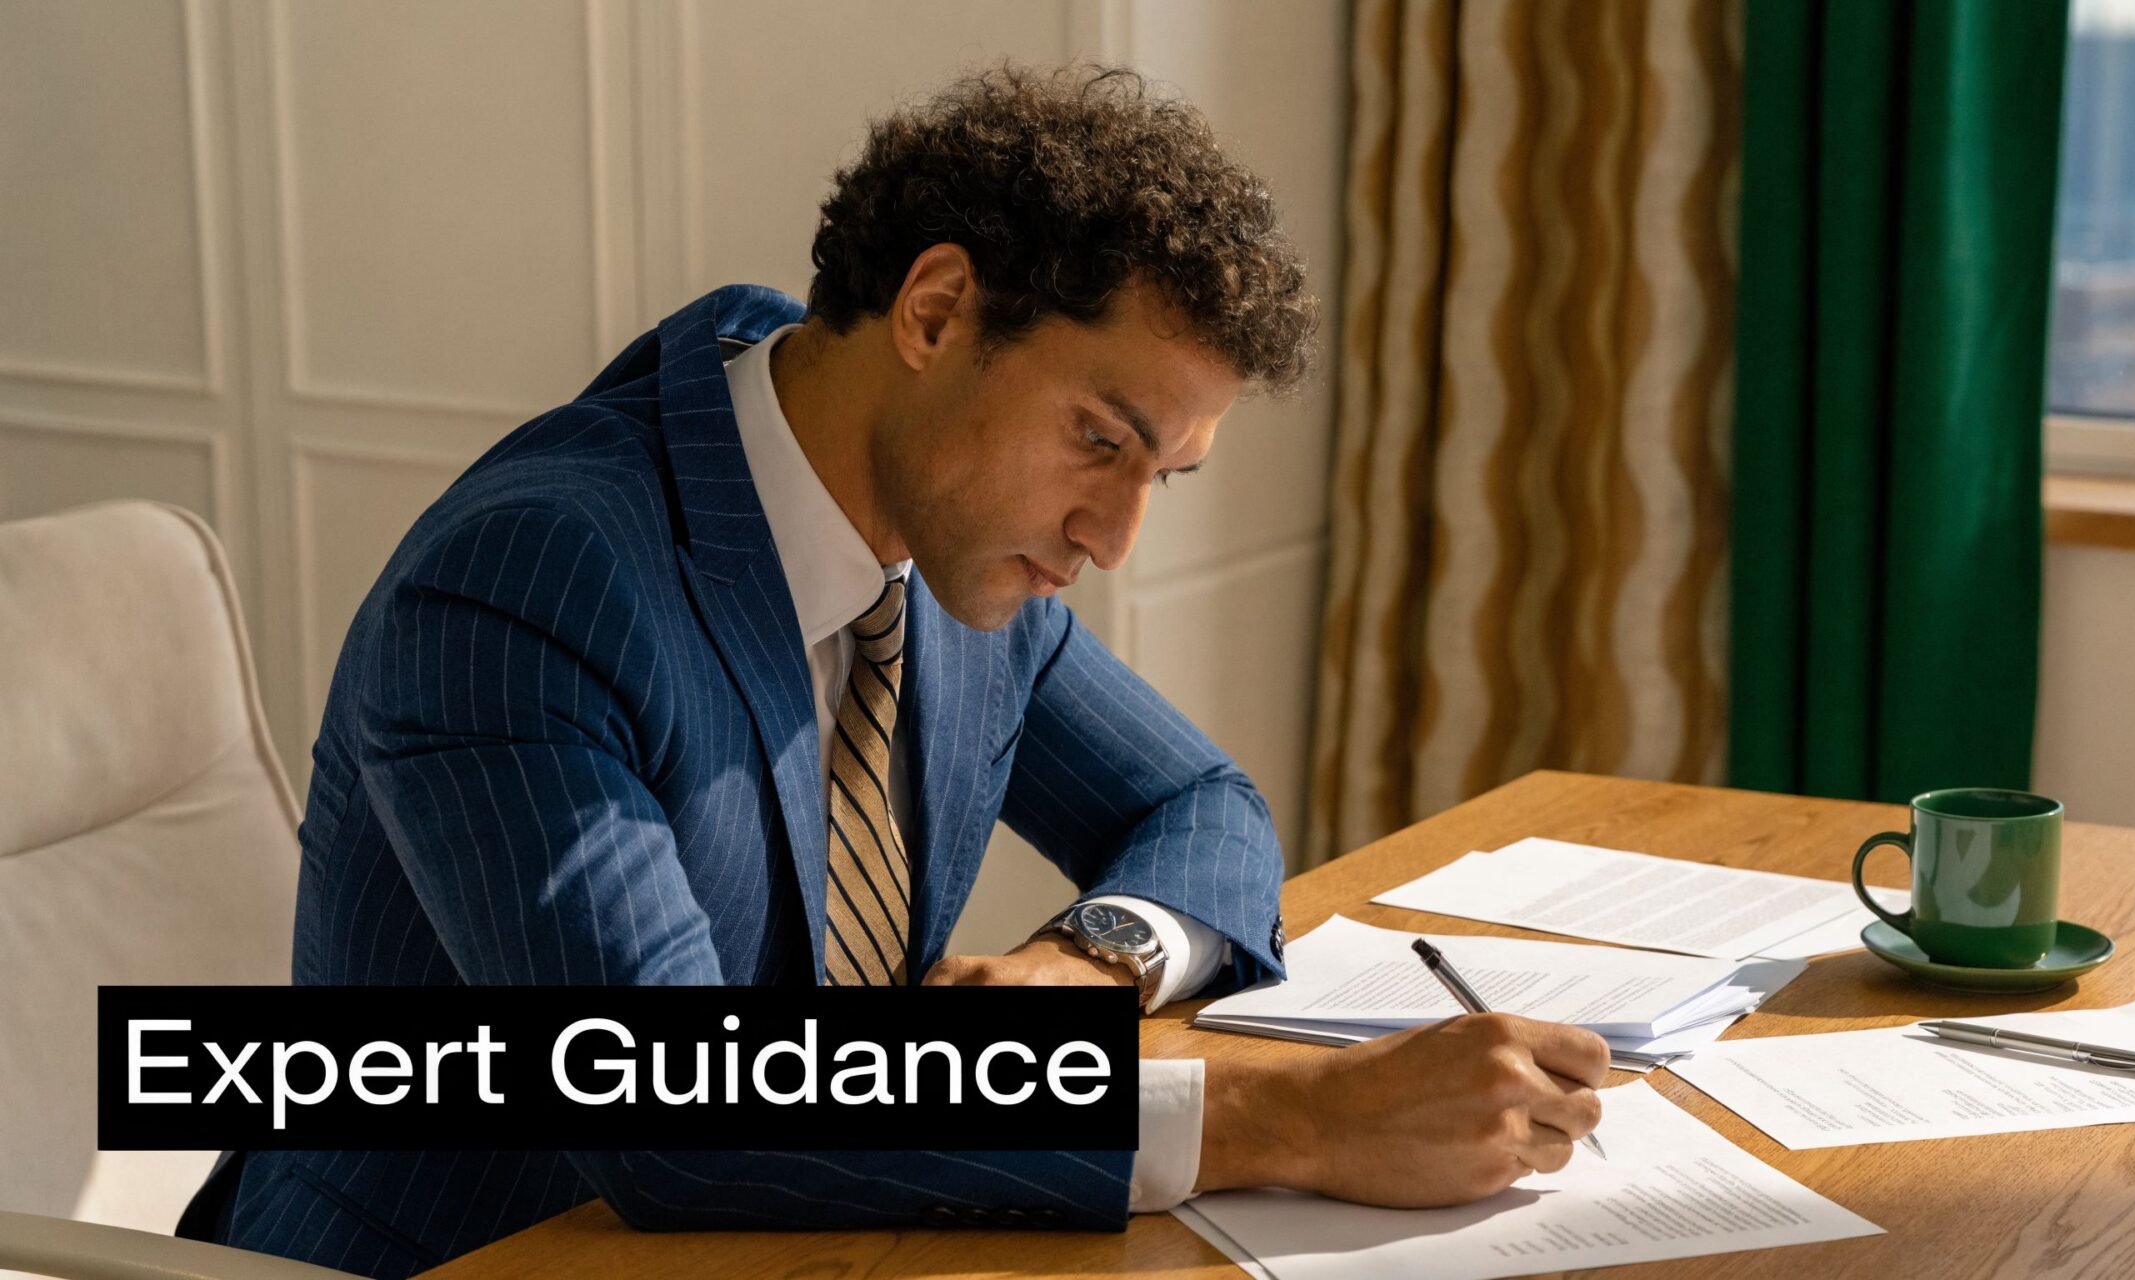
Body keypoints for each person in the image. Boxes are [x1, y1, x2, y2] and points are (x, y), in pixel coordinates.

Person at [180, 63, 1607, 1277]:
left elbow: (1201, 803)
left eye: (1160, 476)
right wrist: (1292, 1120)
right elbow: (675, 1107)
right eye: (1101, 441)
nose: (1112, 536)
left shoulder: (933, 540)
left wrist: (1088, 966)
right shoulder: (531, 590)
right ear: (933, 313)